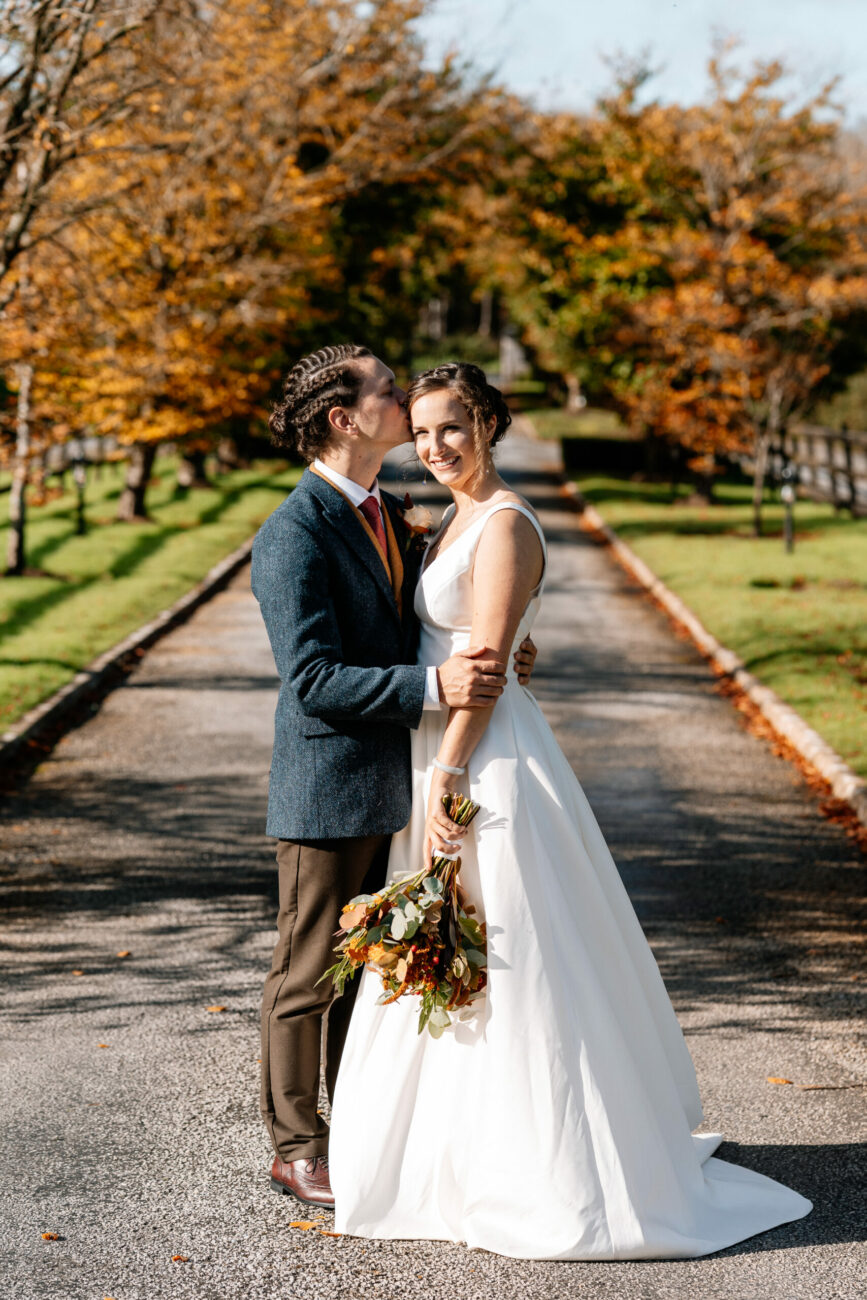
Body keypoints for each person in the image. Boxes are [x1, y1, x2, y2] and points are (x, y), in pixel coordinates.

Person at [328, 362, 812, 1259]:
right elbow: (489, 637)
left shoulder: (505, 522)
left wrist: (448, 771)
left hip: (482, 759)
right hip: (445, 743)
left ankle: (545, 1164)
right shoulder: (454, 521)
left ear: (490, 425)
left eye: (452, 429)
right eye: (422, 431)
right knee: (454, 945)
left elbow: (482, 667)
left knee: (509, 948)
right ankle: (455, 1150)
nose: (433, 447)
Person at [250, 345, 537, 1208]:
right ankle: (297, 1148)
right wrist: (434, 685)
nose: (402, 402)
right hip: (329, 786)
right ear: (346, 419)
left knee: (367, 969)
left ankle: (363, 1128)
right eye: (386, 393)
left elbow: (429, 618)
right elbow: (310, 679)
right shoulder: (294, 531)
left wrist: (494, 637)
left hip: (399, 778)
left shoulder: (389, 510)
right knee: (307, 973)